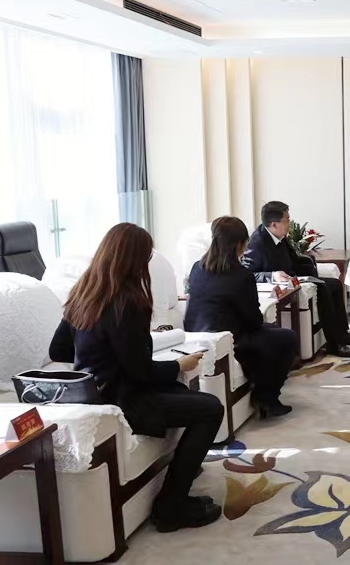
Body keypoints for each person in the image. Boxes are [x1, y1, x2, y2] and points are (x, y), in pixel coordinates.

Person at [48, 223, 223, 532]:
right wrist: (179, 364)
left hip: (97, 393)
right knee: (210, 408)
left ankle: (183, 474)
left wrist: (100, 354)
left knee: (186, 396)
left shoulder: (84, 292)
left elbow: (58, 348)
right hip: (125, 399)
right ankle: (171, 506)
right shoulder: (127, 301)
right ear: (135, 260)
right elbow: (140, 373)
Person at [185, 216, 298, 418]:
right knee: (287, 338)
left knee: (273, 332)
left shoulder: (197, 267)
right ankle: (267, 398)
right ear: (239, 244)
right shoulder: (241, 275)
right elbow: (254, 321)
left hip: (196, 333)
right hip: (230, 338)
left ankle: (263, 388)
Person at [242, 201, 350, 358]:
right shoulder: (257, 243)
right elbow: (247, 274)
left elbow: (293, 259)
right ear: (274, 224)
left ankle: (342, 334)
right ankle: (334, 344)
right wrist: (272, 275)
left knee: (335, 284)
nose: (289, 223)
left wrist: (309, 269)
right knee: (323, 289)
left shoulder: (279, 235)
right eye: (287, 220)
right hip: (280, 285)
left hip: (294, 278)